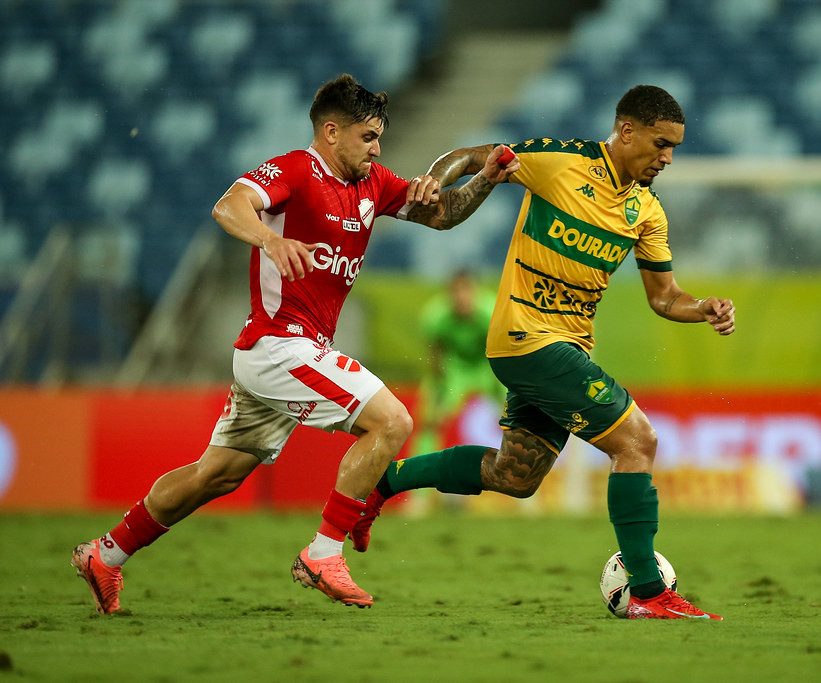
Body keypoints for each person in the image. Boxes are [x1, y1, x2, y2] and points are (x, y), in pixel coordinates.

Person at [71, 73, 519, 614]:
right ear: (331, 132)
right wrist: (270, 238)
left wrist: (485, 178)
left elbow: (442, 215)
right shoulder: (295, 170)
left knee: (216, 474)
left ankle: (105, 555)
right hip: (278, 345)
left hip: (288, 353)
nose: (377, 149)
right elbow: (229, 205)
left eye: (379, 138)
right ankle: (323, 554)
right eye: (368, 137)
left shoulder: (373, 183)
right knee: (393, 421)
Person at [352, 85, 735, 620]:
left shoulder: (647, 212)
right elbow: (473, 156)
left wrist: (704, 308)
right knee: (637, 443)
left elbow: (665, 297)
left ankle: (381, 484)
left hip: (564, 346)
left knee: (515, 476)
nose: (668, 158)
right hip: (526, 339)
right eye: (661, 143)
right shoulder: (561, 163)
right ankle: (649, 592)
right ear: (627, 131)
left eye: (674, 148)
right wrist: (433, 181)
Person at [412, 269, 504, 457]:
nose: (461, 297)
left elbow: (503, 354)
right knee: (430, 420)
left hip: (487, 364)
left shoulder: (491, 312)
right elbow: (436, 354)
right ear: (448, 294)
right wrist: (438, 389)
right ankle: (421, 470)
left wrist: (504, 392)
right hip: (455, 366)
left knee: (516, 413)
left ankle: (525, 472)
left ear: (476, 292)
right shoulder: (436, 315)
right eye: (456, 291)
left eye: (466, 290)